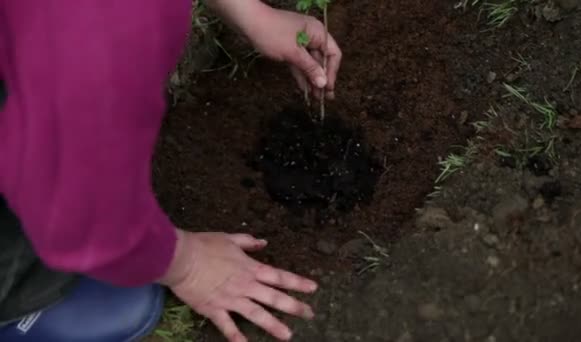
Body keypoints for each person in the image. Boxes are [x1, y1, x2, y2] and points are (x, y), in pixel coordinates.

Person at [0, 0, 341, 341]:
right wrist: (187, 266)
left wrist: (250, 13)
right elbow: (70, 191)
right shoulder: (97, 38)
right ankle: (16, 299)